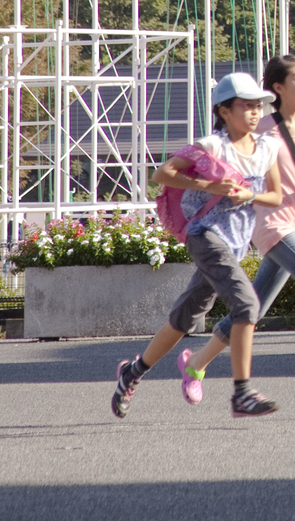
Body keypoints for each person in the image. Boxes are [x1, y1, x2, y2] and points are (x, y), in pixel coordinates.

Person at [109, 72, 285, 420]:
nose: (254, 112)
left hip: (235, 243)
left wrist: (250, 194)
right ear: (224, 111)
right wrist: (209, 185)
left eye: (258, 106)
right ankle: (242, 393)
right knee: (248, 304)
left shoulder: (267, 148)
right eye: (246, 106)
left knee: (185, 319)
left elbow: (276, 195)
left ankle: (133, 372)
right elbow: (162, 174)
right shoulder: (212, 147)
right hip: (204, 234)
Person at [177, 53, 295, 402]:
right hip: (270, 221)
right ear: (277, 88)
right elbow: (234, 161)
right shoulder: (263, 128)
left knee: (253, 306)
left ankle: (196, 363)